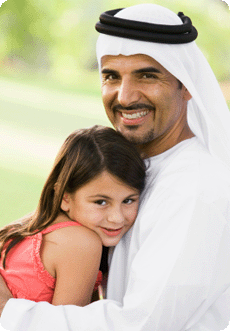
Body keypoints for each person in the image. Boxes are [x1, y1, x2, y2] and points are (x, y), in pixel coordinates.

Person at [1, 3, 230, 331]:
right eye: (111, 76)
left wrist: (9, 312)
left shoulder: (197, 190)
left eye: (147, 75)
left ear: (187, 84)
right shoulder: (138, 166)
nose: (124, 96)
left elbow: (143, 325)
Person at [0, 125, 146, 306]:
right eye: (101, 202)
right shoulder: (81, 242)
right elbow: (68, 325)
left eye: (128, 200)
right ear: (65, 198)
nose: (116, 217)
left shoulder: (32, 226)